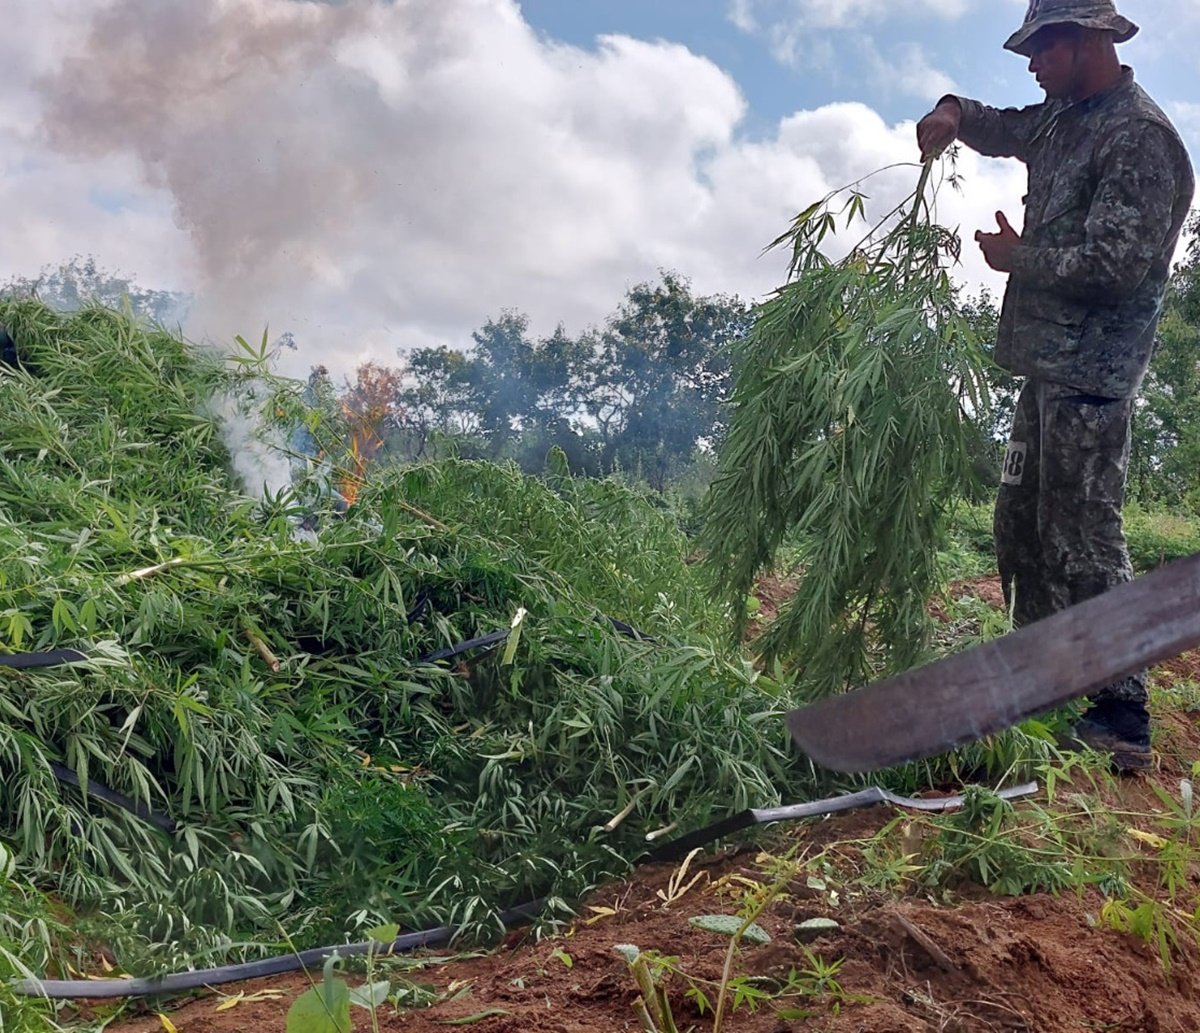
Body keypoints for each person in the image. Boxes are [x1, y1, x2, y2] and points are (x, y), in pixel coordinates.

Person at [915, 0, 1195, 772]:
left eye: (1042, 50)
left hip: (1093, 375)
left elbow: (1116, 267)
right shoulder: (1061, 116)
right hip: (1045, 368)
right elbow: (1001, 124)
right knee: (1020, 527)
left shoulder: (1139, 137)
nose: (1032, 65)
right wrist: (951, 112)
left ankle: (1121, 714)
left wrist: (1019, 257)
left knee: (1085, 537)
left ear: (1087, 41)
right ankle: (1042, 685)